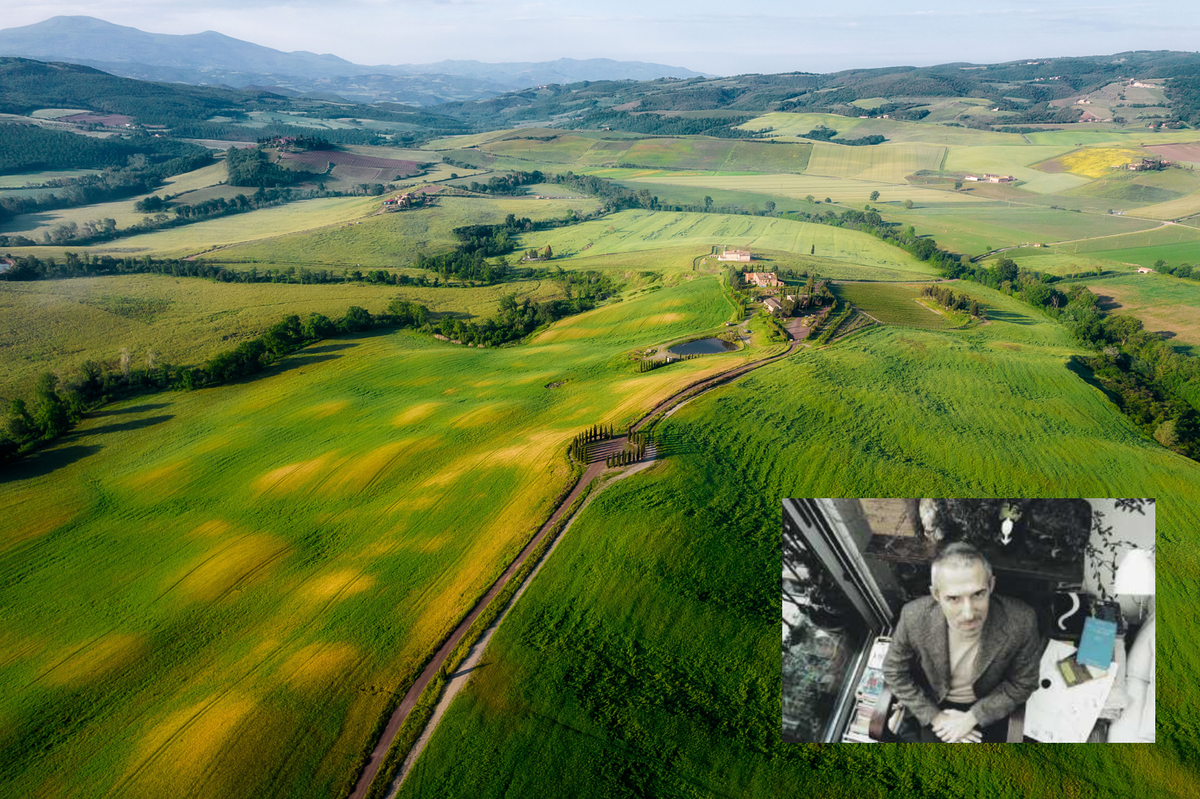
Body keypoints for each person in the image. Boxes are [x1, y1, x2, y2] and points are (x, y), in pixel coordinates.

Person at [881, 542, 1042, 742]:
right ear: (936, 595)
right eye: (953, 598)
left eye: (978, 594)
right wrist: (937, 718)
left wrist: (972, 717)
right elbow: (893, 670)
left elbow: (1024, 683)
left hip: (988, 707)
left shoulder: (1021, 620)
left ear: (991, 585)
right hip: (933, 706)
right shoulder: (914, 617)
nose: (968, 614)